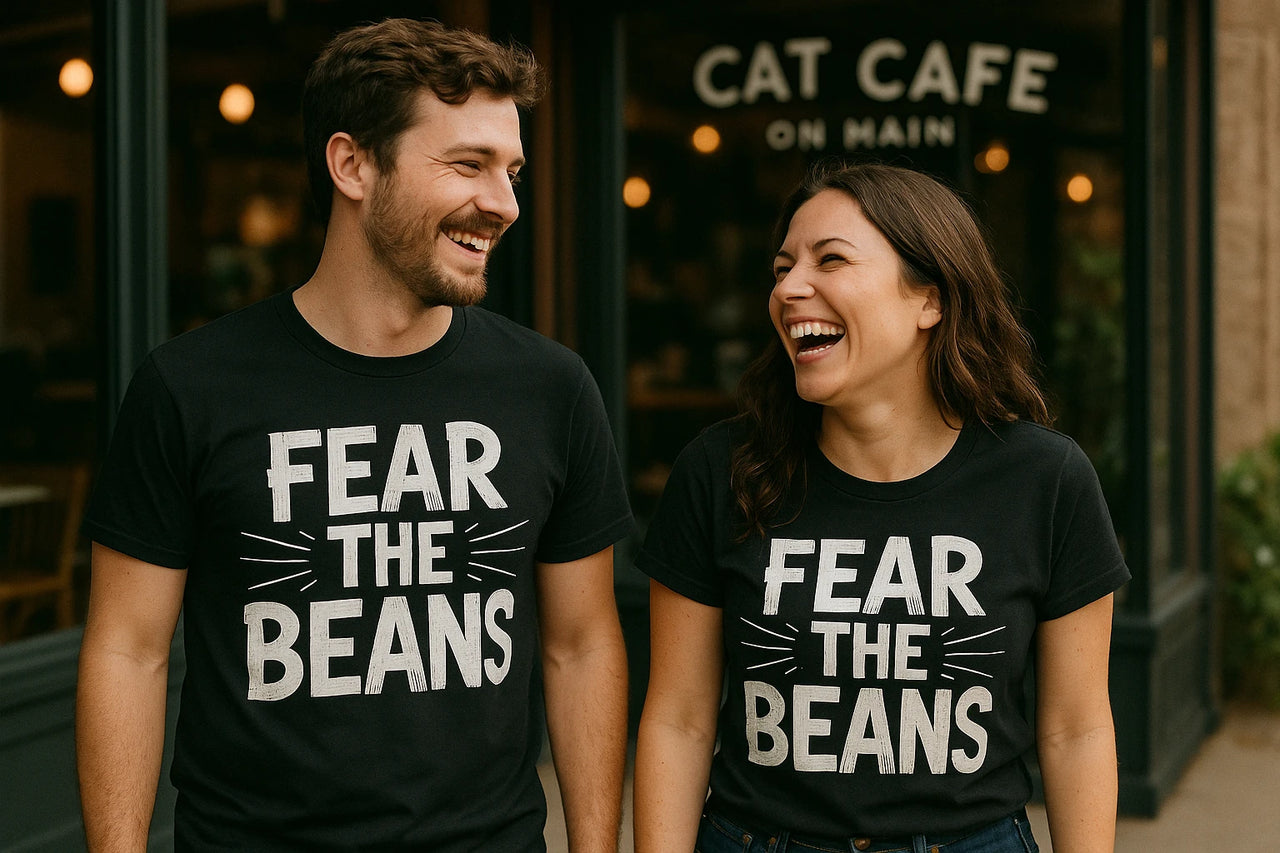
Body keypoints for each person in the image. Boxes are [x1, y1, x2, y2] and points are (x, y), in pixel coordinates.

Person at [76, 18, 632, 852]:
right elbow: (128, 650)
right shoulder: (191, 387)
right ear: (353, 165)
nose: (506, 203)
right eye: (468, 165)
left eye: (513, 170)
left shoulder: (550, 388)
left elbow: (582, 646)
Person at [633, 161, 1128, 853]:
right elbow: (679, 719)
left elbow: (1077, 727)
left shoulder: (1045, 479)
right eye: (782, 266)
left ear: (930, 299)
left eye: (830, 259)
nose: (789, 286)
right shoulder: (721, 470)